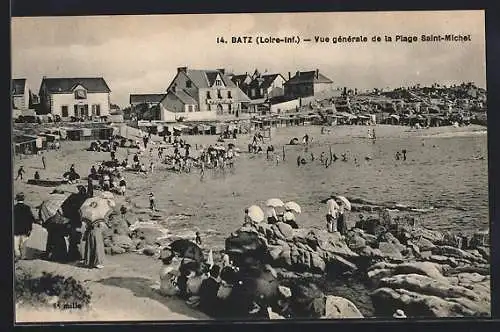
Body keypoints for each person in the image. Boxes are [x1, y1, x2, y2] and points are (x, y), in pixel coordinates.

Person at [14, 193, 36, 260]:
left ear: (16, 199)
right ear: (23, 199)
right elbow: (31, 219)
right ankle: (23, 256)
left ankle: (17, 255)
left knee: (15, 244)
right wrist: (30, 229)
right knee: (23, 244)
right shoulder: (27, 208)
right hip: (25, 229)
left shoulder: (14, 208)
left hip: (15, 229)